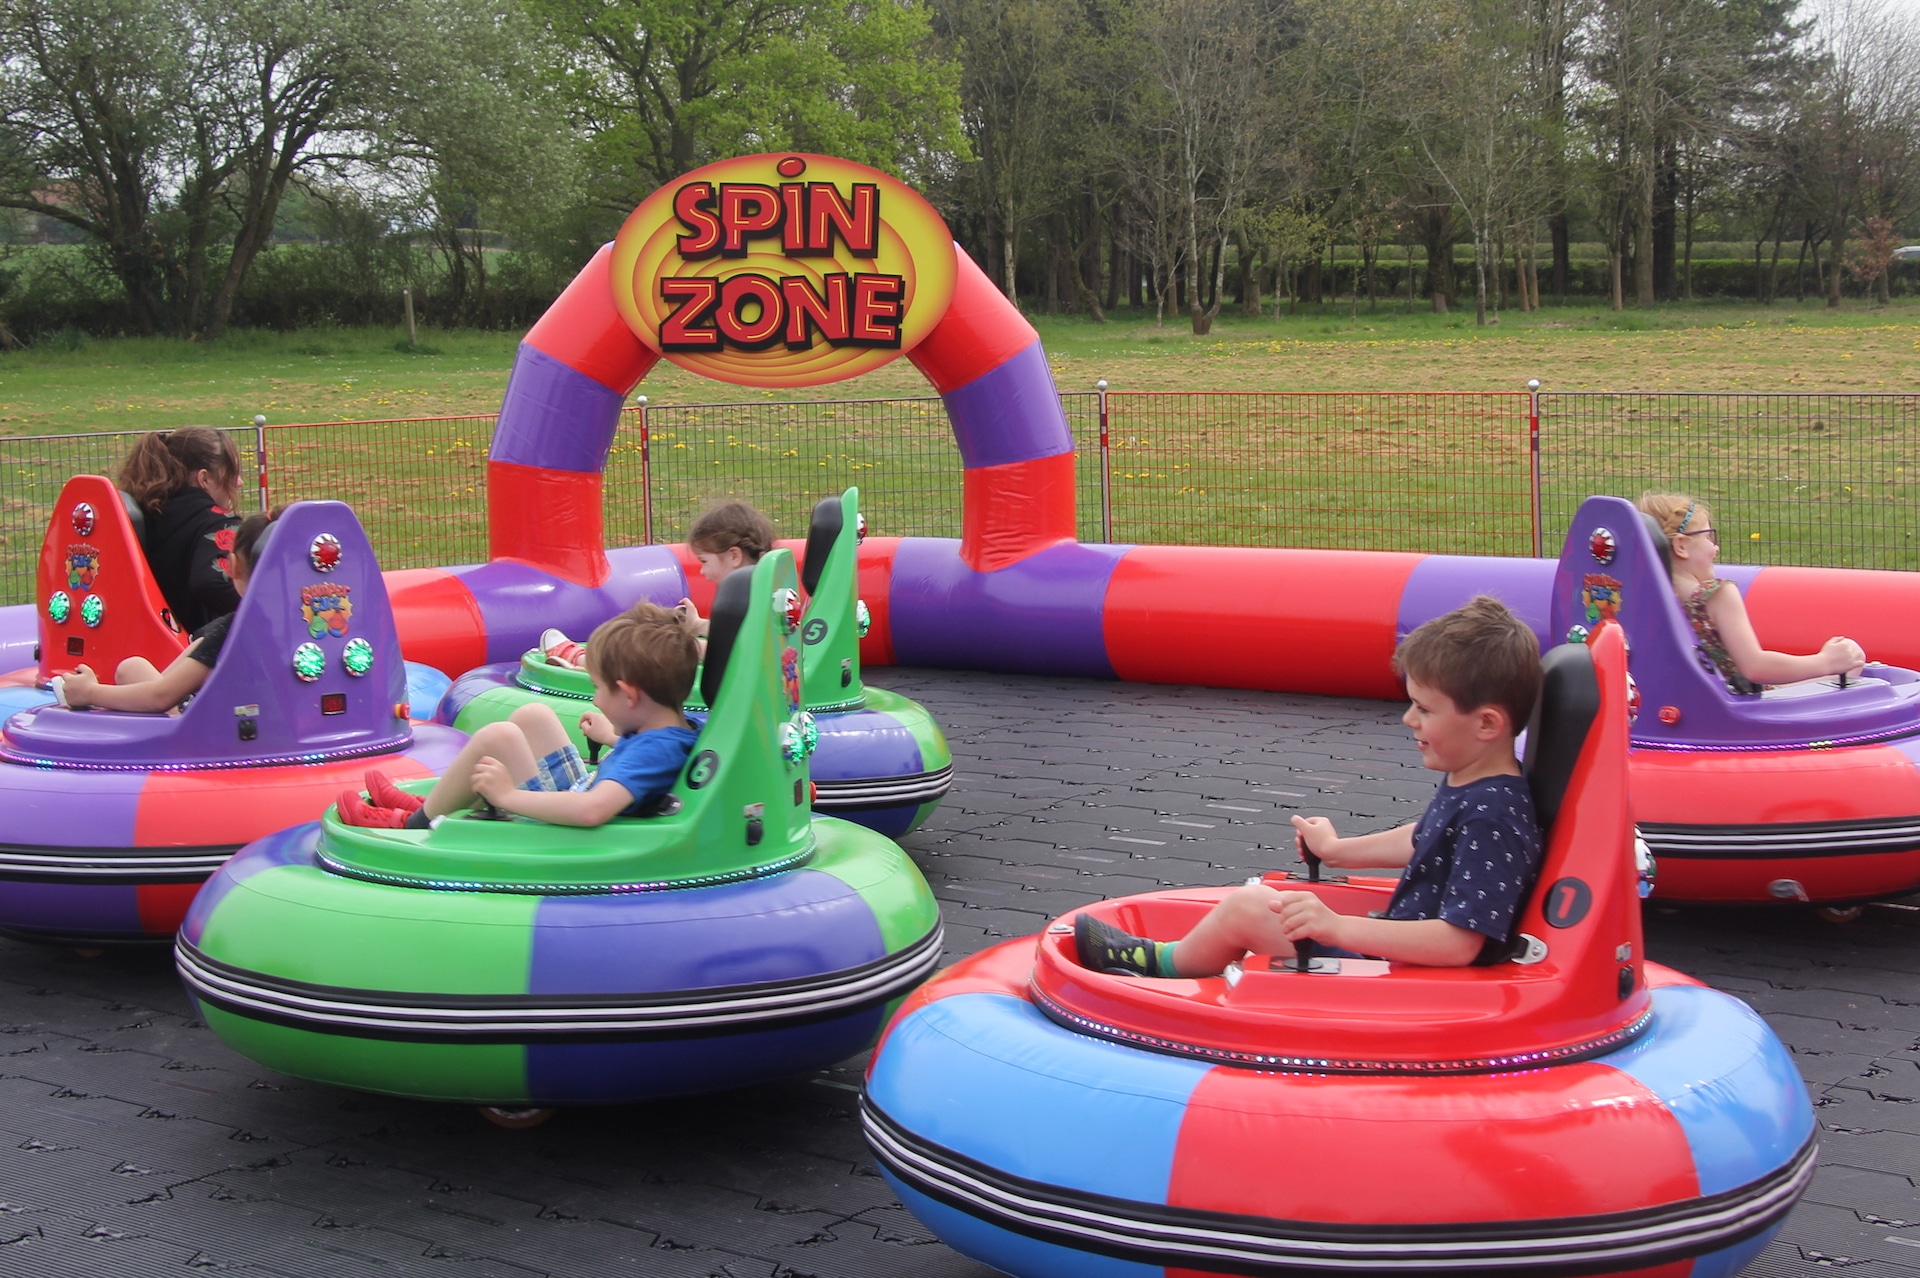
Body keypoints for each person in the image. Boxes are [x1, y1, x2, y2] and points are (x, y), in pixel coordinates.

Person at [1078, 596, 1545, 974]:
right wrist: (1341, 850)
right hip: (1398, 957)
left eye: (1424, 709)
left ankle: (1153, 966)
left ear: (1486, 724)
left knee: (1251, 909)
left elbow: (1459, 943)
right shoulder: (1476, 783)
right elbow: (1430, 837)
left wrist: (1339, 928)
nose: (1409, 719)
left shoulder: (1494, 815)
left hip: (1413, 979)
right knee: (1264, 906)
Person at [342, 602, 700, 829]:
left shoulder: (651, 750)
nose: (595, 698)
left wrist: (506, 796)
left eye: (599, 687)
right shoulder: (670, 729)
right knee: (534, 714)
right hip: (577, 791)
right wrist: (613, 738)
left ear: (630, 695)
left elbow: (592, 810)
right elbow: (644, 763)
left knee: (498, 738)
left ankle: (417, 823)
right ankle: (434, 804)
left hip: (567, 819)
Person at [1637, 492, 1865, 693]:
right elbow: (1755, 667)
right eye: (1708, 537)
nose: (1715, 547)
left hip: (1675, 708)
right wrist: (1825, 662)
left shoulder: (1639, 598)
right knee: (1852, 664)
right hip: (1733, 709)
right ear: (1681, 546)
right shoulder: (1716, 594)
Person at [57, 510, 276, 714]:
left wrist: (90, 692)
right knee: (131, 668)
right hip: (270, 724)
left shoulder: (231, 632)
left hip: (214, 736)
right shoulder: (291, 624)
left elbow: (161, 696)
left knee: (148, 686)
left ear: (233, 565)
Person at [538, 500, 776, 667]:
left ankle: (584, 661)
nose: (703, 572)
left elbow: (740, 653)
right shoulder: (768, 589)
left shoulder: (740, 599)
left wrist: (680, 648)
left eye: (704, 561)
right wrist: (699, 625)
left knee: (650, 643)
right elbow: (743, 637)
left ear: (734, 556)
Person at [118, 427, 246, 634]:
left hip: (140, 636)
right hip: (190, 649)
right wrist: (262, 613)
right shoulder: (215, 522)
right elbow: (210, 582)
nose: (239, 482)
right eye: (233, 473)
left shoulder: (144, 508)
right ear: (204, 479)